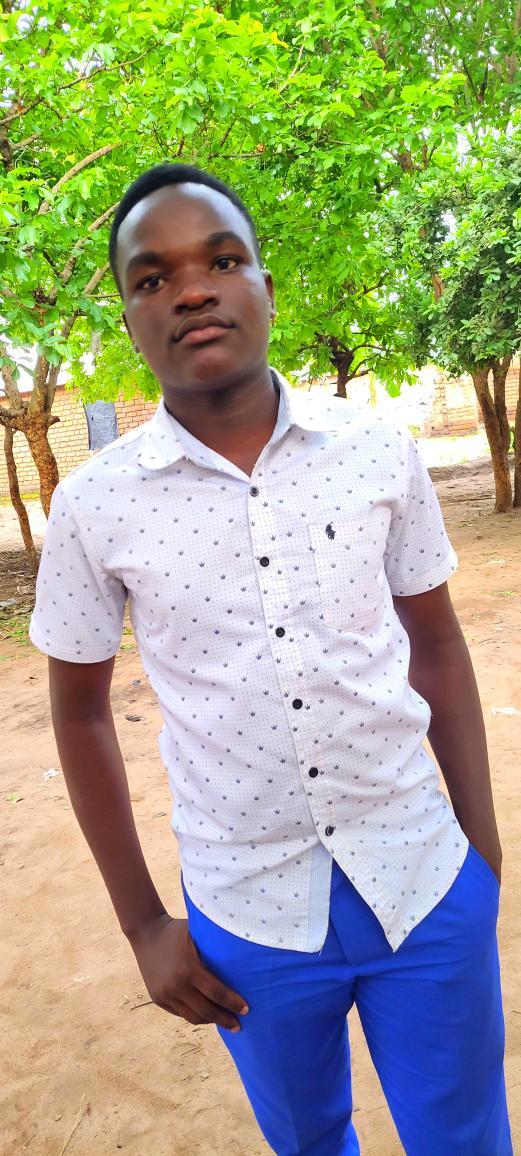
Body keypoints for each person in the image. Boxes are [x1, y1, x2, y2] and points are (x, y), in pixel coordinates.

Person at [30, 163, 512, 1155]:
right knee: (307, 1142)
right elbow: (79, 713)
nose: (191, 290)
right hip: (246, 918)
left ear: (265, 287)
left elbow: (434, 643)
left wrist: (480, 848)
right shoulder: (94, 505)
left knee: (462, 1136)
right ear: (128, 319)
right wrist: (142, 925)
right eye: (152, 277)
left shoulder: (376, 451)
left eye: (221, 261)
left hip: (422, 879)